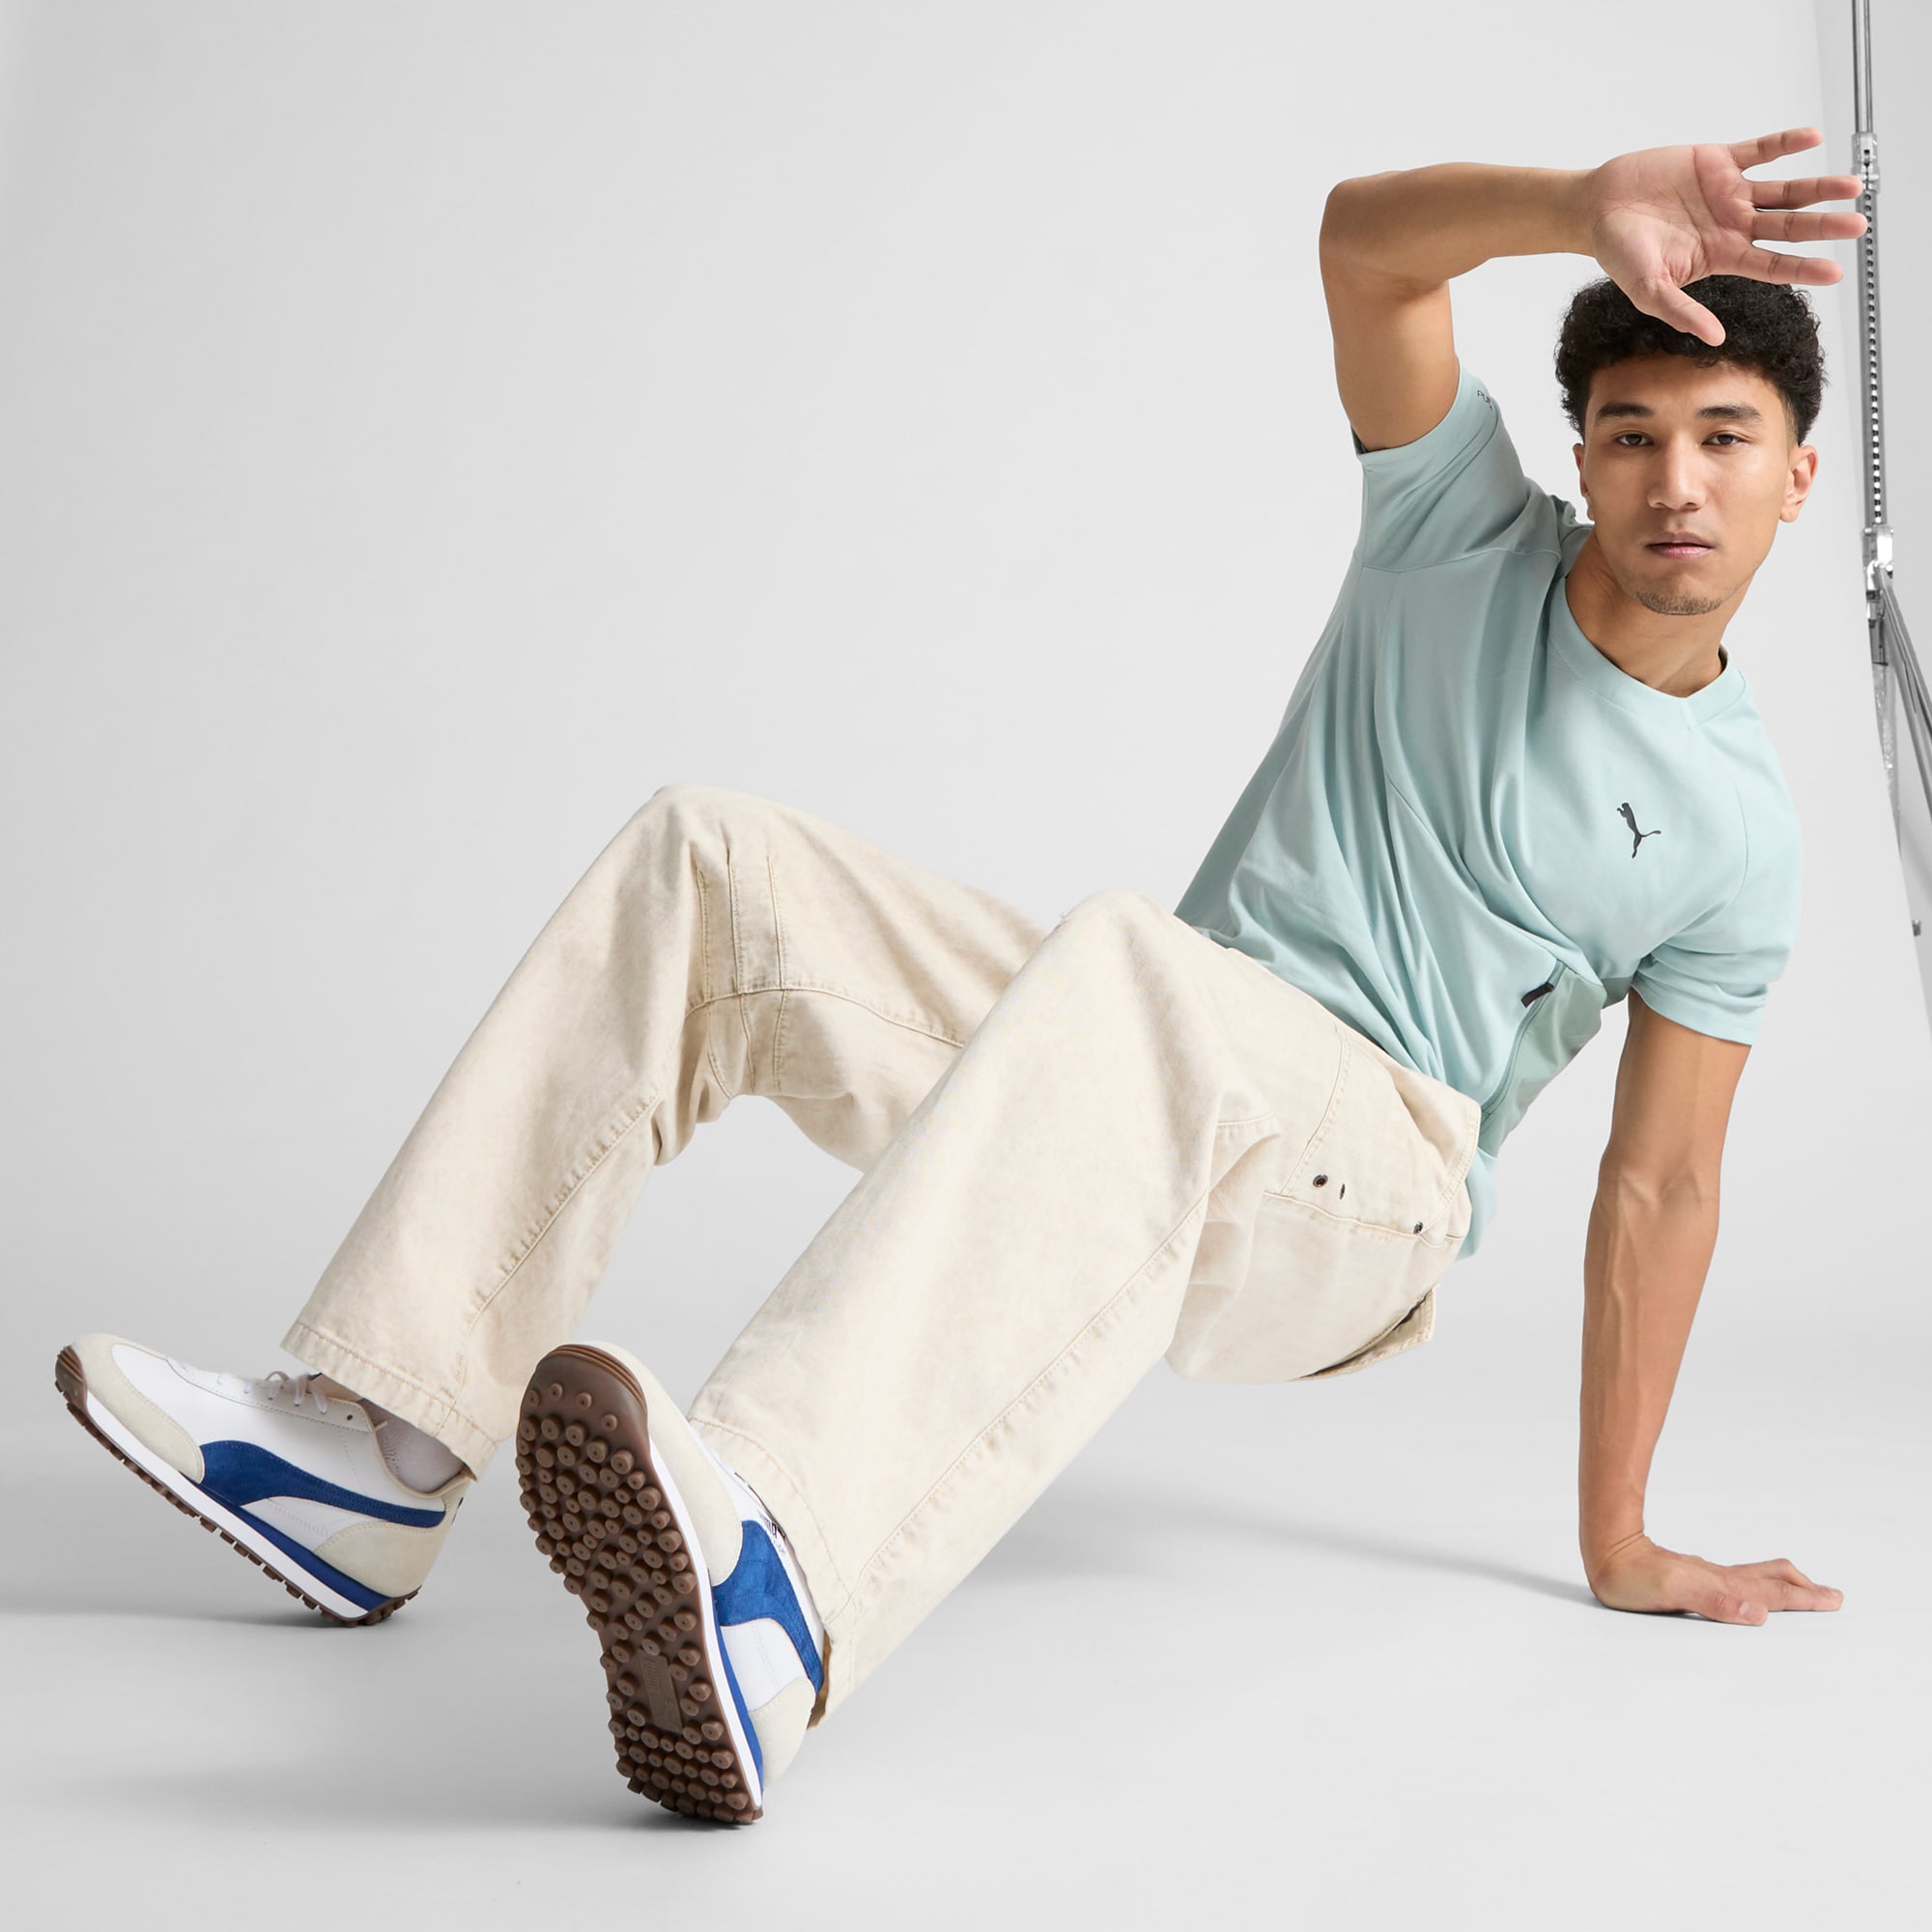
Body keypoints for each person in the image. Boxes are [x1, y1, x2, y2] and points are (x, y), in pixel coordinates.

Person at [57, 126, 1858, 1826]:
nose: (1675, 479)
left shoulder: (1741, 838)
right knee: (720, 862)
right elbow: (1364, 247)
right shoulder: (1452, 531)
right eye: (1631, 433)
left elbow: (1662, 1185)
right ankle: (373, 1451)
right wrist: (1576, 199)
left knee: (1134, 970)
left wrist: (1620, 1541)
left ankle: (776, 1578)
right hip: (1133, 1057)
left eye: (1724, 437)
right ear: (1580, 457)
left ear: (1794, 477)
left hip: (1363, 1201)